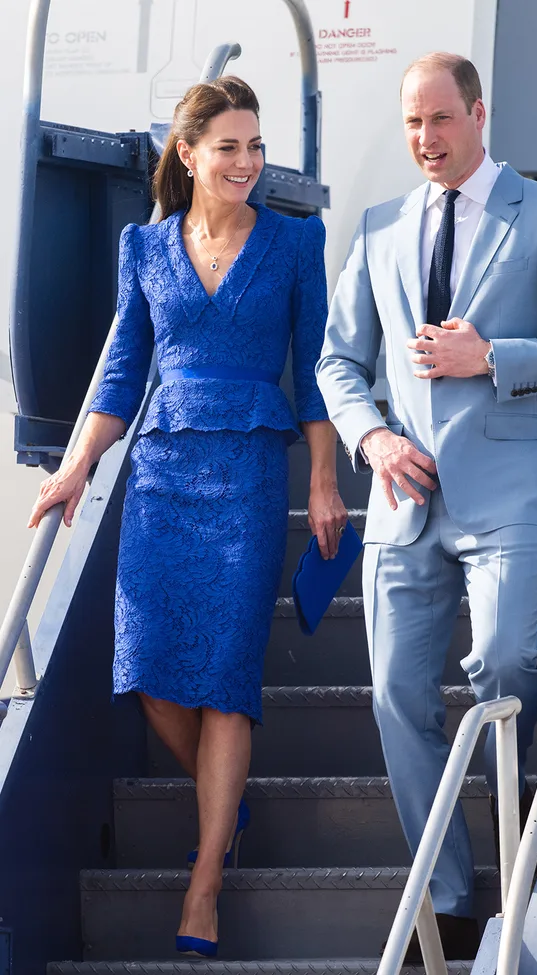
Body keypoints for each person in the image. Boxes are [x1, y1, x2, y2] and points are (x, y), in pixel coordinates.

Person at [316, 52, 537, 961]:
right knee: (393, 694)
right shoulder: (377, 228)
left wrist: (495, 355)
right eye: (413, 123)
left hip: (504, 491)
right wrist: (372, 439)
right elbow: (337, 363)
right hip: (401, 497)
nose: (425, 139)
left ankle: (514, 793)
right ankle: (448, 894)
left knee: (502, 655)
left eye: (441, 120)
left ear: (479, 115)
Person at [28, 76, 347, 958]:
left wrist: (323, 478)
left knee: (227, 681)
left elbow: (315, 372)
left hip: (247, 471)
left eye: (256, 146)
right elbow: (122, 374)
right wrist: (76, 465)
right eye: (229, 147)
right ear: (188, 153)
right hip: (161, 472)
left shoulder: (294, 243)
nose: (247, 163)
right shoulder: (144, 246)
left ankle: (203, 883)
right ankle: (224, 800)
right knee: (152, 675)